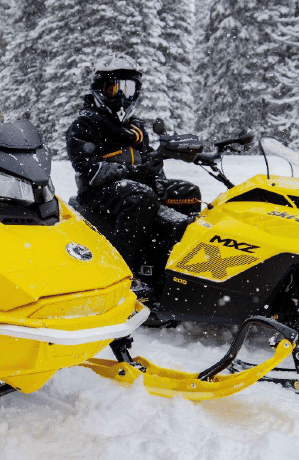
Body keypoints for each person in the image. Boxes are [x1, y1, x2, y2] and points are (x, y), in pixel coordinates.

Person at [65, 54, 201, 291]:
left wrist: (156, 175)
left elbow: (149, 160)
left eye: (129, 88)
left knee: (188, 192)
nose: (122, 95)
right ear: (100, 89)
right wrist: (134, 172)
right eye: (115, 88)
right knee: (141, 197)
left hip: (133, 187)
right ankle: (121, 274)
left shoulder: (136, 128)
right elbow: (89, 170)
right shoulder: (85, 124)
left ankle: (181, 270)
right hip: (97, 192)